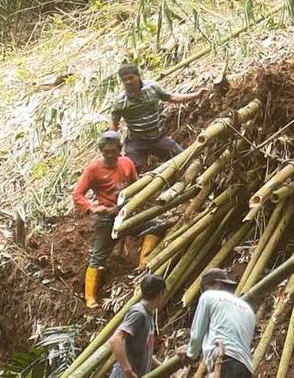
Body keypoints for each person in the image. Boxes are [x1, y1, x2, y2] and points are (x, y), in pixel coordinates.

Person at [73, 131, 164, 308]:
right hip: (107, 219)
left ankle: (142, 267)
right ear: (101, 150)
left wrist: (138, 200)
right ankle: (90, 298)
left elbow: (136, 186)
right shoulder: (93, 169)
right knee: (99, 256)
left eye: (113, 151)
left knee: (156, 227)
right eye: (106, 151)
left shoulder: (126, 163)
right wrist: (93, 207)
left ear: (119, 149)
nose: (109, 155)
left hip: (127, 214)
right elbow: (77, 194)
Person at [110, 63, 207, 173]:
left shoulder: (152, 88)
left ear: (138, 76)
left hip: (158, 137)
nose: (128, 82)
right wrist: (111, 143)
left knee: (183, 159)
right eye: (124, 80)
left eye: (131, 78)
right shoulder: (120, 101)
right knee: (131, 172)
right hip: (136, 141)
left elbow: (172, 97)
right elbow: (114, 125)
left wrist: (197, 95)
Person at [183, 268, 256, 377]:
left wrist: (190, 354)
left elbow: (197, 335)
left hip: (224, 360)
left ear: (216, 284)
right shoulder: (247, 309)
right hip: (246, 367)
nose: (203, 293)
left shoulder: (208, 296)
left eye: (204, 289)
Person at [109, 274, 166, 378]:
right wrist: (127, 369)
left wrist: (163, 368)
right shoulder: (139, 314)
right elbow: (115, 339)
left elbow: (143, 352)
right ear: (161, 293)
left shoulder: (148, 314)